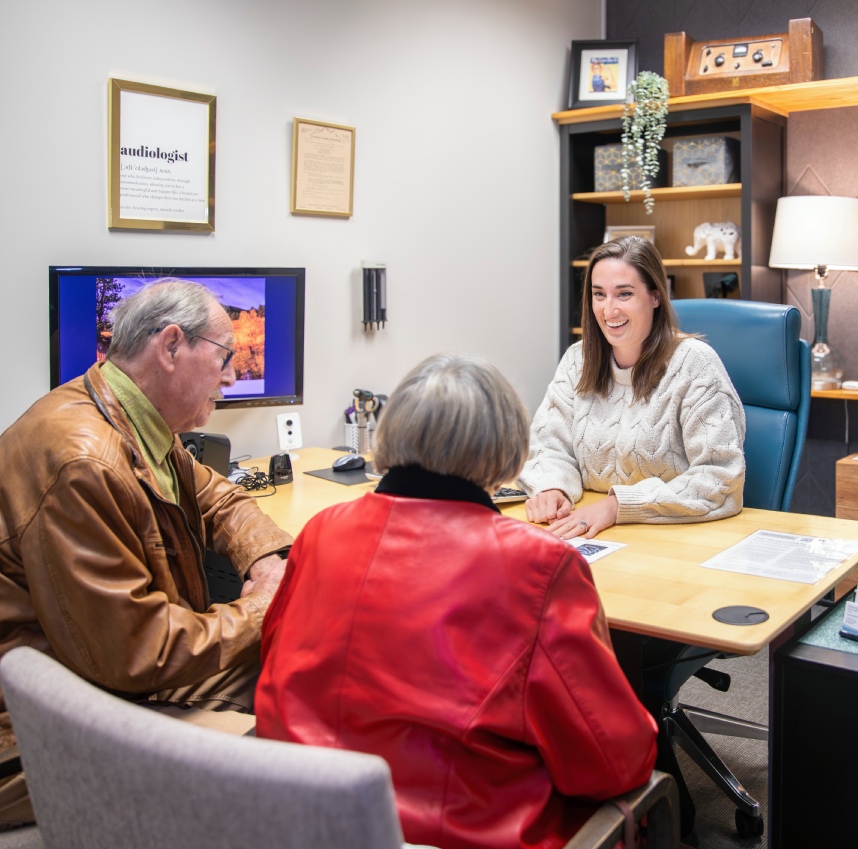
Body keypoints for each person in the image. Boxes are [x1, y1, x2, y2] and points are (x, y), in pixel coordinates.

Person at [255, 353, 657, 849]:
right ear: (506, 451)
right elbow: (613, 761)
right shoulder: (539, 567)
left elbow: (272, 665)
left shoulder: (320, 533)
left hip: (300, 821)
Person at [0, 279, 293, 827]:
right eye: (226, 357)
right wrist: (260, 608)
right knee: (295, 668)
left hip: (91, 668)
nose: (233, 376)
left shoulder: (123, 413)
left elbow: (216, 496)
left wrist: (265, 562)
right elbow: (139, 655)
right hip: (35, 728)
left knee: (293, 655)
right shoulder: (83, 462)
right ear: (171, 346)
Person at [520, 236, 746, 540]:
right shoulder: (579, 358)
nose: (609, 310)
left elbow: (720, 477)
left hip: (677, 539)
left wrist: (616, 506)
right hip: (592, 533)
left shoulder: (695, 364)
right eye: (599, 294)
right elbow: (548, 445)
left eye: (624, 294)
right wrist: (551, 486)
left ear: (655, 296)